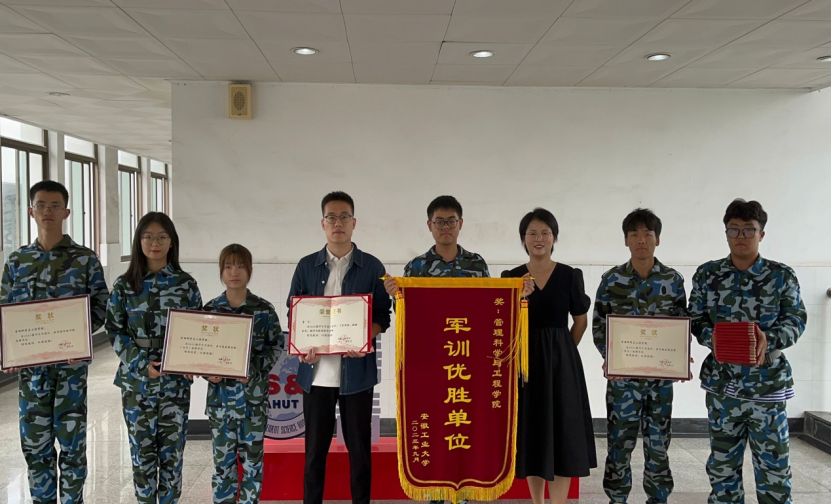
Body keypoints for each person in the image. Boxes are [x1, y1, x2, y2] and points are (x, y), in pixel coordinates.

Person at [689, 199, 806, 504]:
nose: (740, 236)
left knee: (774, 469)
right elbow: (695, 319)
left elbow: (796, 320)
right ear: (726, 233)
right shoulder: (708, 275)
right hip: (723, 385)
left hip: (767, 385)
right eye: (734, 230)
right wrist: (710, 337)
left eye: (748, 230)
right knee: (722, 468)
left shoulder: (781, 275)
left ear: (761, 234)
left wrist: (771, 338)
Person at [1, 180, 109, 504]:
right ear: (31, 211)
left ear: (67, 212)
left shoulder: (84, 259)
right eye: (41, 205)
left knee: (73, 448)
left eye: (55, 206)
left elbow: (101, 305)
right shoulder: (17, 261)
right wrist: (7, 350)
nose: (47, 211)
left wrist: (79, 340)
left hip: (70, 372)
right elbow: (5, 311)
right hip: (31, 375)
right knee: (36, 449)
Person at [383, 195, 491, 504]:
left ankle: (463, 494)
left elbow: (487, 311)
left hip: (465, 363)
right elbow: (406, 316)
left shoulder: (476, 264)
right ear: (429, 225)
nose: (446, 227)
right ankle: (435, 493)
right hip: (430, 364)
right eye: (439, 222)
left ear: (461, 224)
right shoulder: (416, 267)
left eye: (451, 221)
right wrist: (395, 295)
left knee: (463, 427)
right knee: (435, 427)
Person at [287, 191, 391, 504]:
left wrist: (365, 338)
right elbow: (294, 312)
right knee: (314, 454)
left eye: (344, 216)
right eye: (331, 217)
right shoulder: (307, 266)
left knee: (359, 454)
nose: (338, 223)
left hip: (356, 374)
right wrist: (302, 346)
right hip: (315, 374)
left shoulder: (371, 266)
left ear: (354, 222)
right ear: (323, 223)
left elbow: (382, 316)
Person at [106, 212, 202, 504]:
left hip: (175, 383)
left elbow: (197, 329)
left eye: (162, 237)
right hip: (137, 384)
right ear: (139, 241)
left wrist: (192, 362)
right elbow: (114, 329)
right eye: (148, 237)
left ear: (172, 242)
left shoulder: (186, 284)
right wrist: (139, 364)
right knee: (142, 455)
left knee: (172, 456)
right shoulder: (125, 285)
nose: (155, 243)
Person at [592, 208, 687, 504]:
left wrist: (681, 356)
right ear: (626, 240)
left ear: (657, 239)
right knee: (619, 444)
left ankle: (658, 498)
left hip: (660, 382)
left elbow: (682, 322)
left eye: (647, 233)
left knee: (658, 445)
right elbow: (599, 324)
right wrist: (609, 356)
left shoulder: (673, 280)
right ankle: (616, 498)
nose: (641, 239)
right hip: (623, 381)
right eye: (634, 234)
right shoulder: (612, 279)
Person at [504, 208, 595, 504]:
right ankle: (537, 502)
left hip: (562, 365)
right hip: (525, 365)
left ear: (554, 237)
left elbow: (580, 321)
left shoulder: (570, 275)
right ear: (523, 239)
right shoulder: (512, 277)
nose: (539, 238)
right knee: (533, 433)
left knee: (562, 434)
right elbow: (501, 323)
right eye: (532, 233)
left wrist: (564, 350)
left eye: (545, 232)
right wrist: (518, 297)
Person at [203, 244, 284, 504]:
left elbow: (276, 345)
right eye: (228, 266)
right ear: (221, 271)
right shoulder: (210, 310)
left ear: (249, 270)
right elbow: (200, 352)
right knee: (222, 466)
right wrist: (208, 373)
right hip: (220, 403)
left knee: (252, 466)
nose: (234, 272)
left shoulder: (264, 310)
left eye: (240, 266)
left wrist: (254, 368)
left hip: (252, 403)